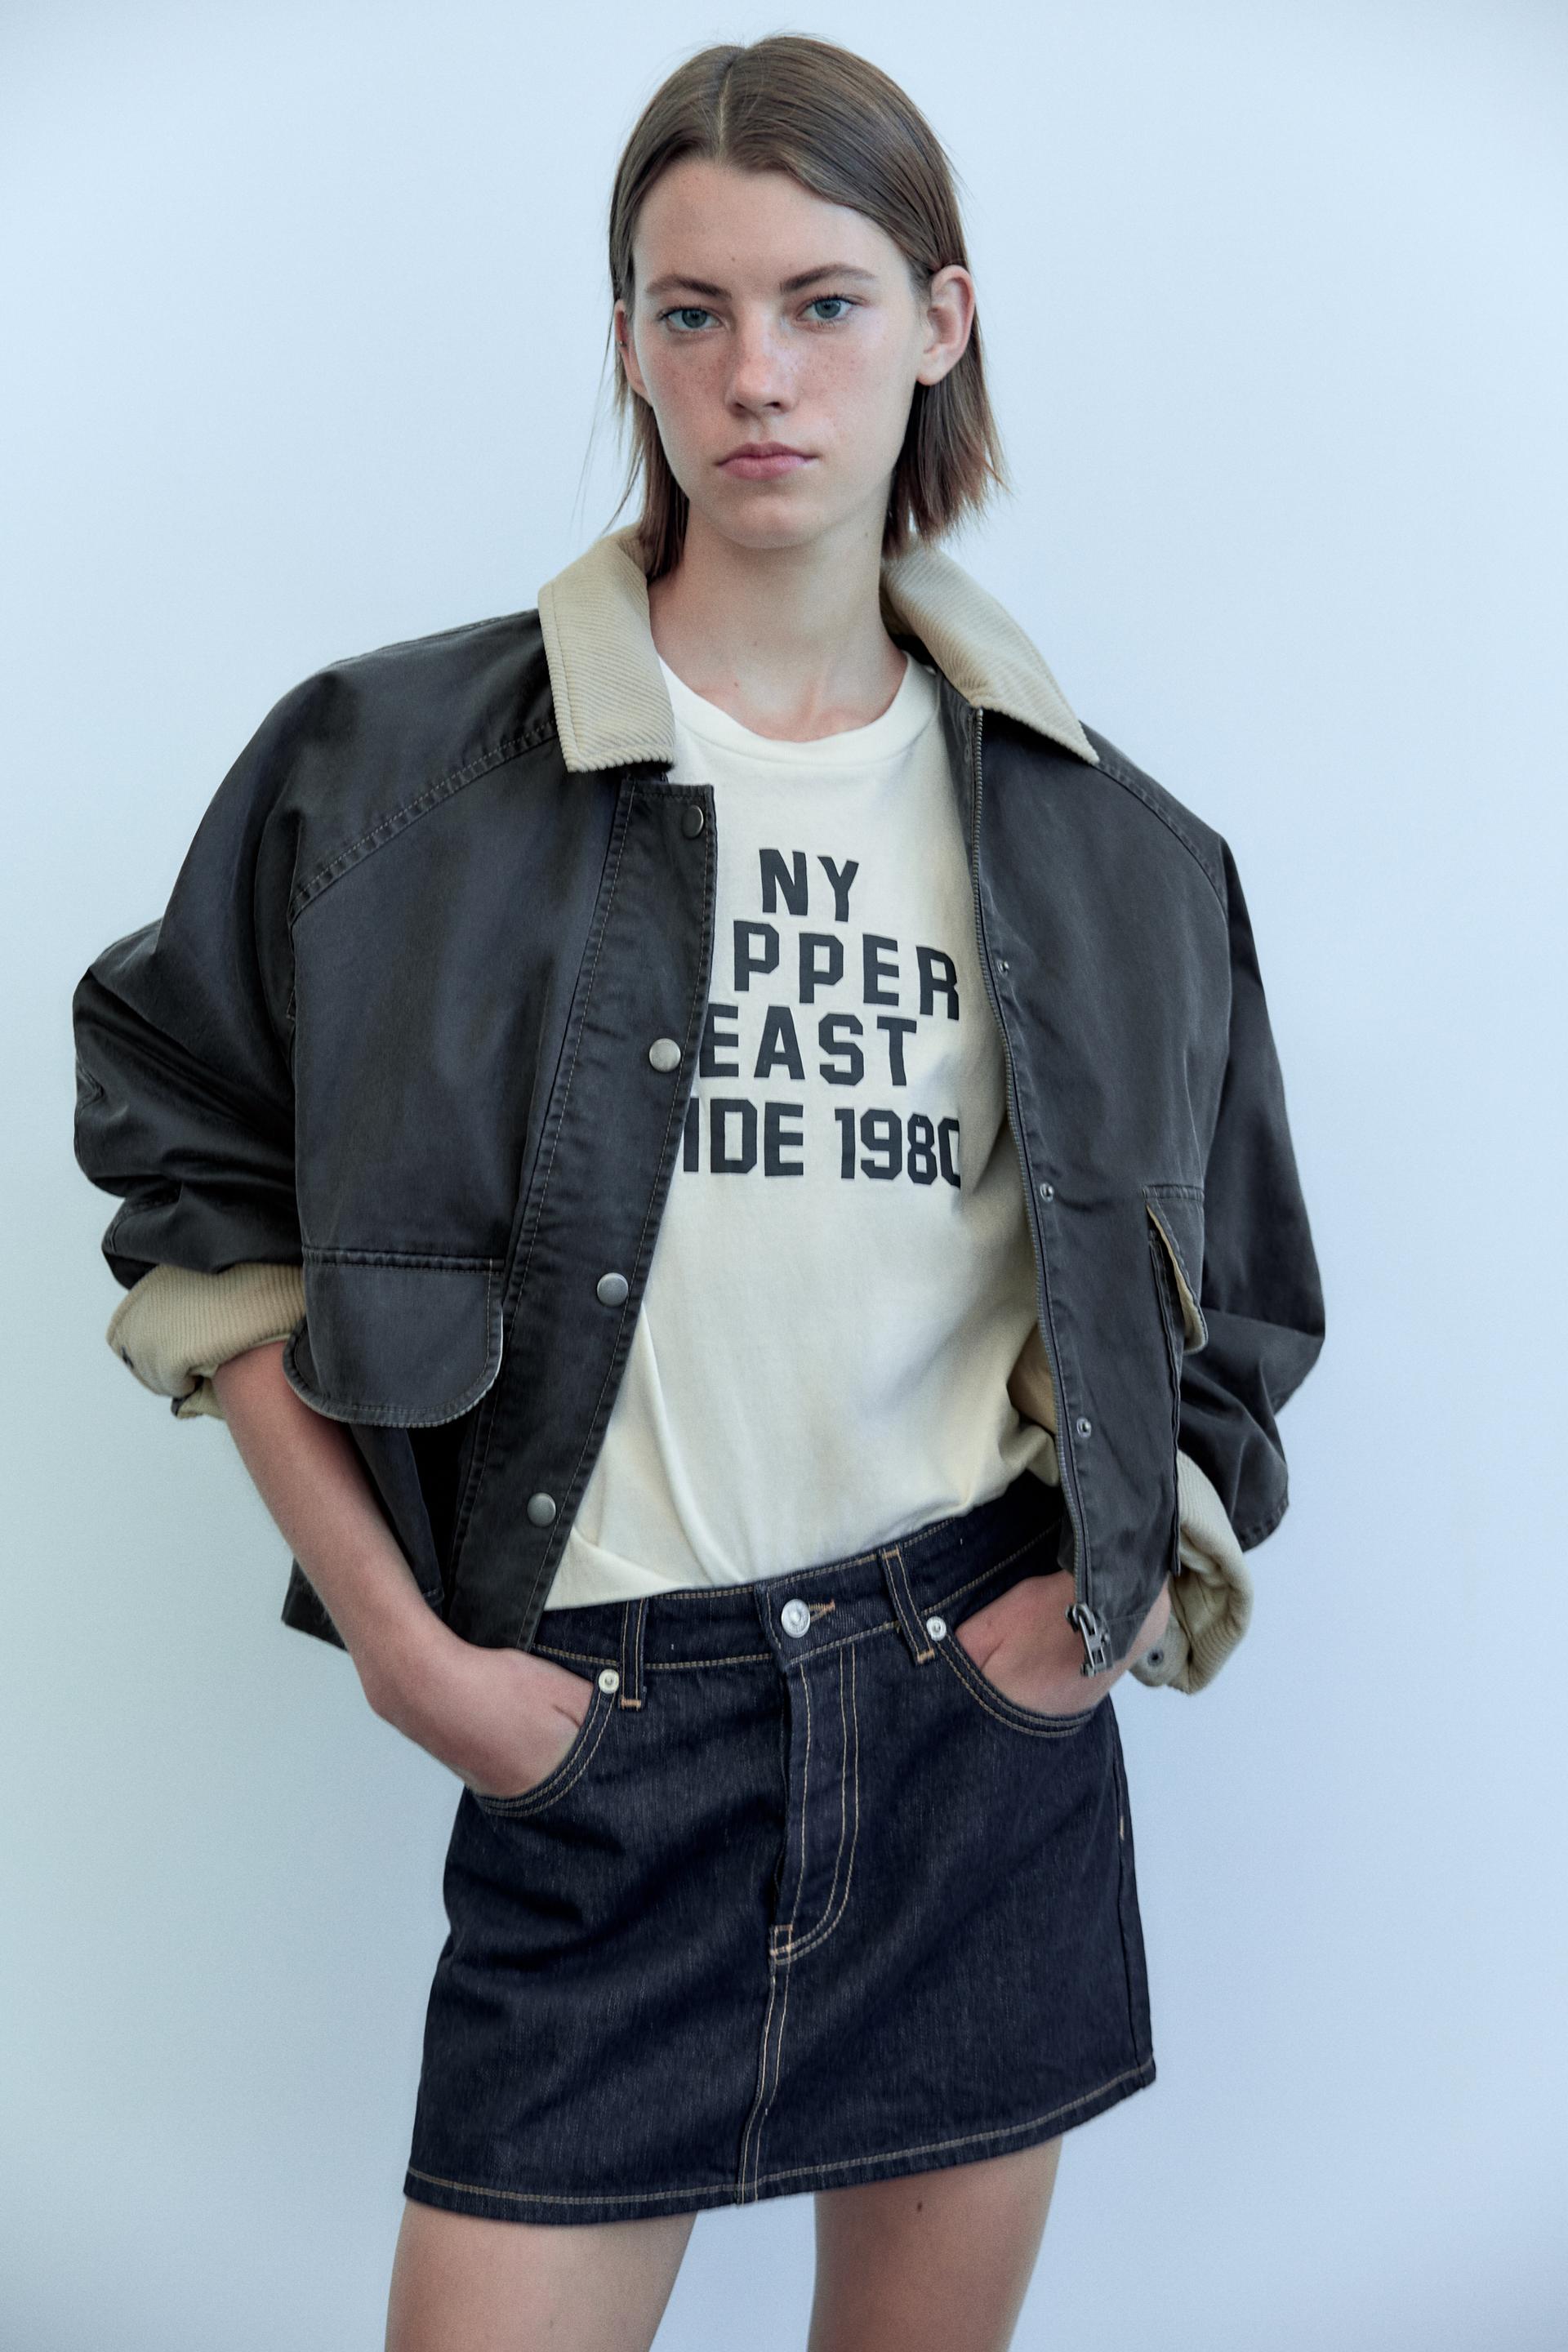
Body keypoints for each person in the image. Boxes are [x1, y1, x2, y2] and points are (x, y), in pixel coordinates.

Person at [71, 33, 1325, 2352]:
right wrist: (415, 1659)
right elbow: (190, 1172)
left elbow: (1234, 1308)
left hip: (976, 1738)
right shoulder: (391, 778)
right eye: (692, 310)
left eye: (825, 303)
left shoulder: (1121, 850)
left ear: (941, 323)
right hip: (595, 1742)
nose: (758, 374)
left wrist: (1084, 1623)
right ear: (632, 344)